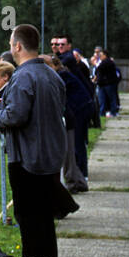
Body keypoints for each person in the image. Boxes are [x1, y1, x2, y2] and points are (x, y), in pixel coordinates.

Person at [0, 25, 66, 257]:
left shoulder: (22, 77)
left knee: (29, 217)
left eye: (11, 43)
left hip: (27, 159)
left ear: (17, 46)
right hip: (50, 157)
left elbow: (14, 116)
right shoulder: (53, 76)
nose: (10, 47)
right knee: (43, 218)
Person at [46, 54, 92, 193]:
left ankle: (73, 183)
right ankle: (79, 181)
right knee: (71, 151)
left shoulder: (60, 76)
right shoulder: (62, 74)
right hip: (75, 112)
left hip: (76, 112)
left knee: (72, 150)